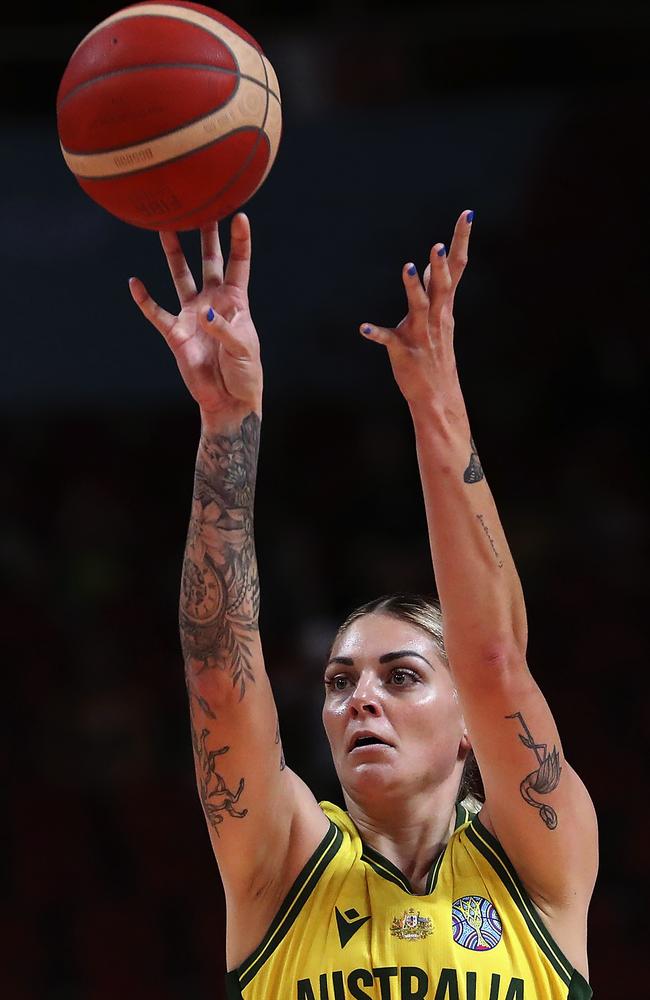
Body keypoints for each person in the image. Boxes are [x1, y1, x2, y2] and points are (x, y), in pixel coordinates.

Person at [129, 210, 597, 999]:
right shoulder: (284, 865)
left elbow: (493, 661)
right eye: (339, 682)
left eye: (402, 675)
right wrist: (228, 421)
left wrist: (436, 404)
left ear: (467, 731)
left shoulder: (536, 864)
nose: (360, 699)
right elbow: (218, 673)